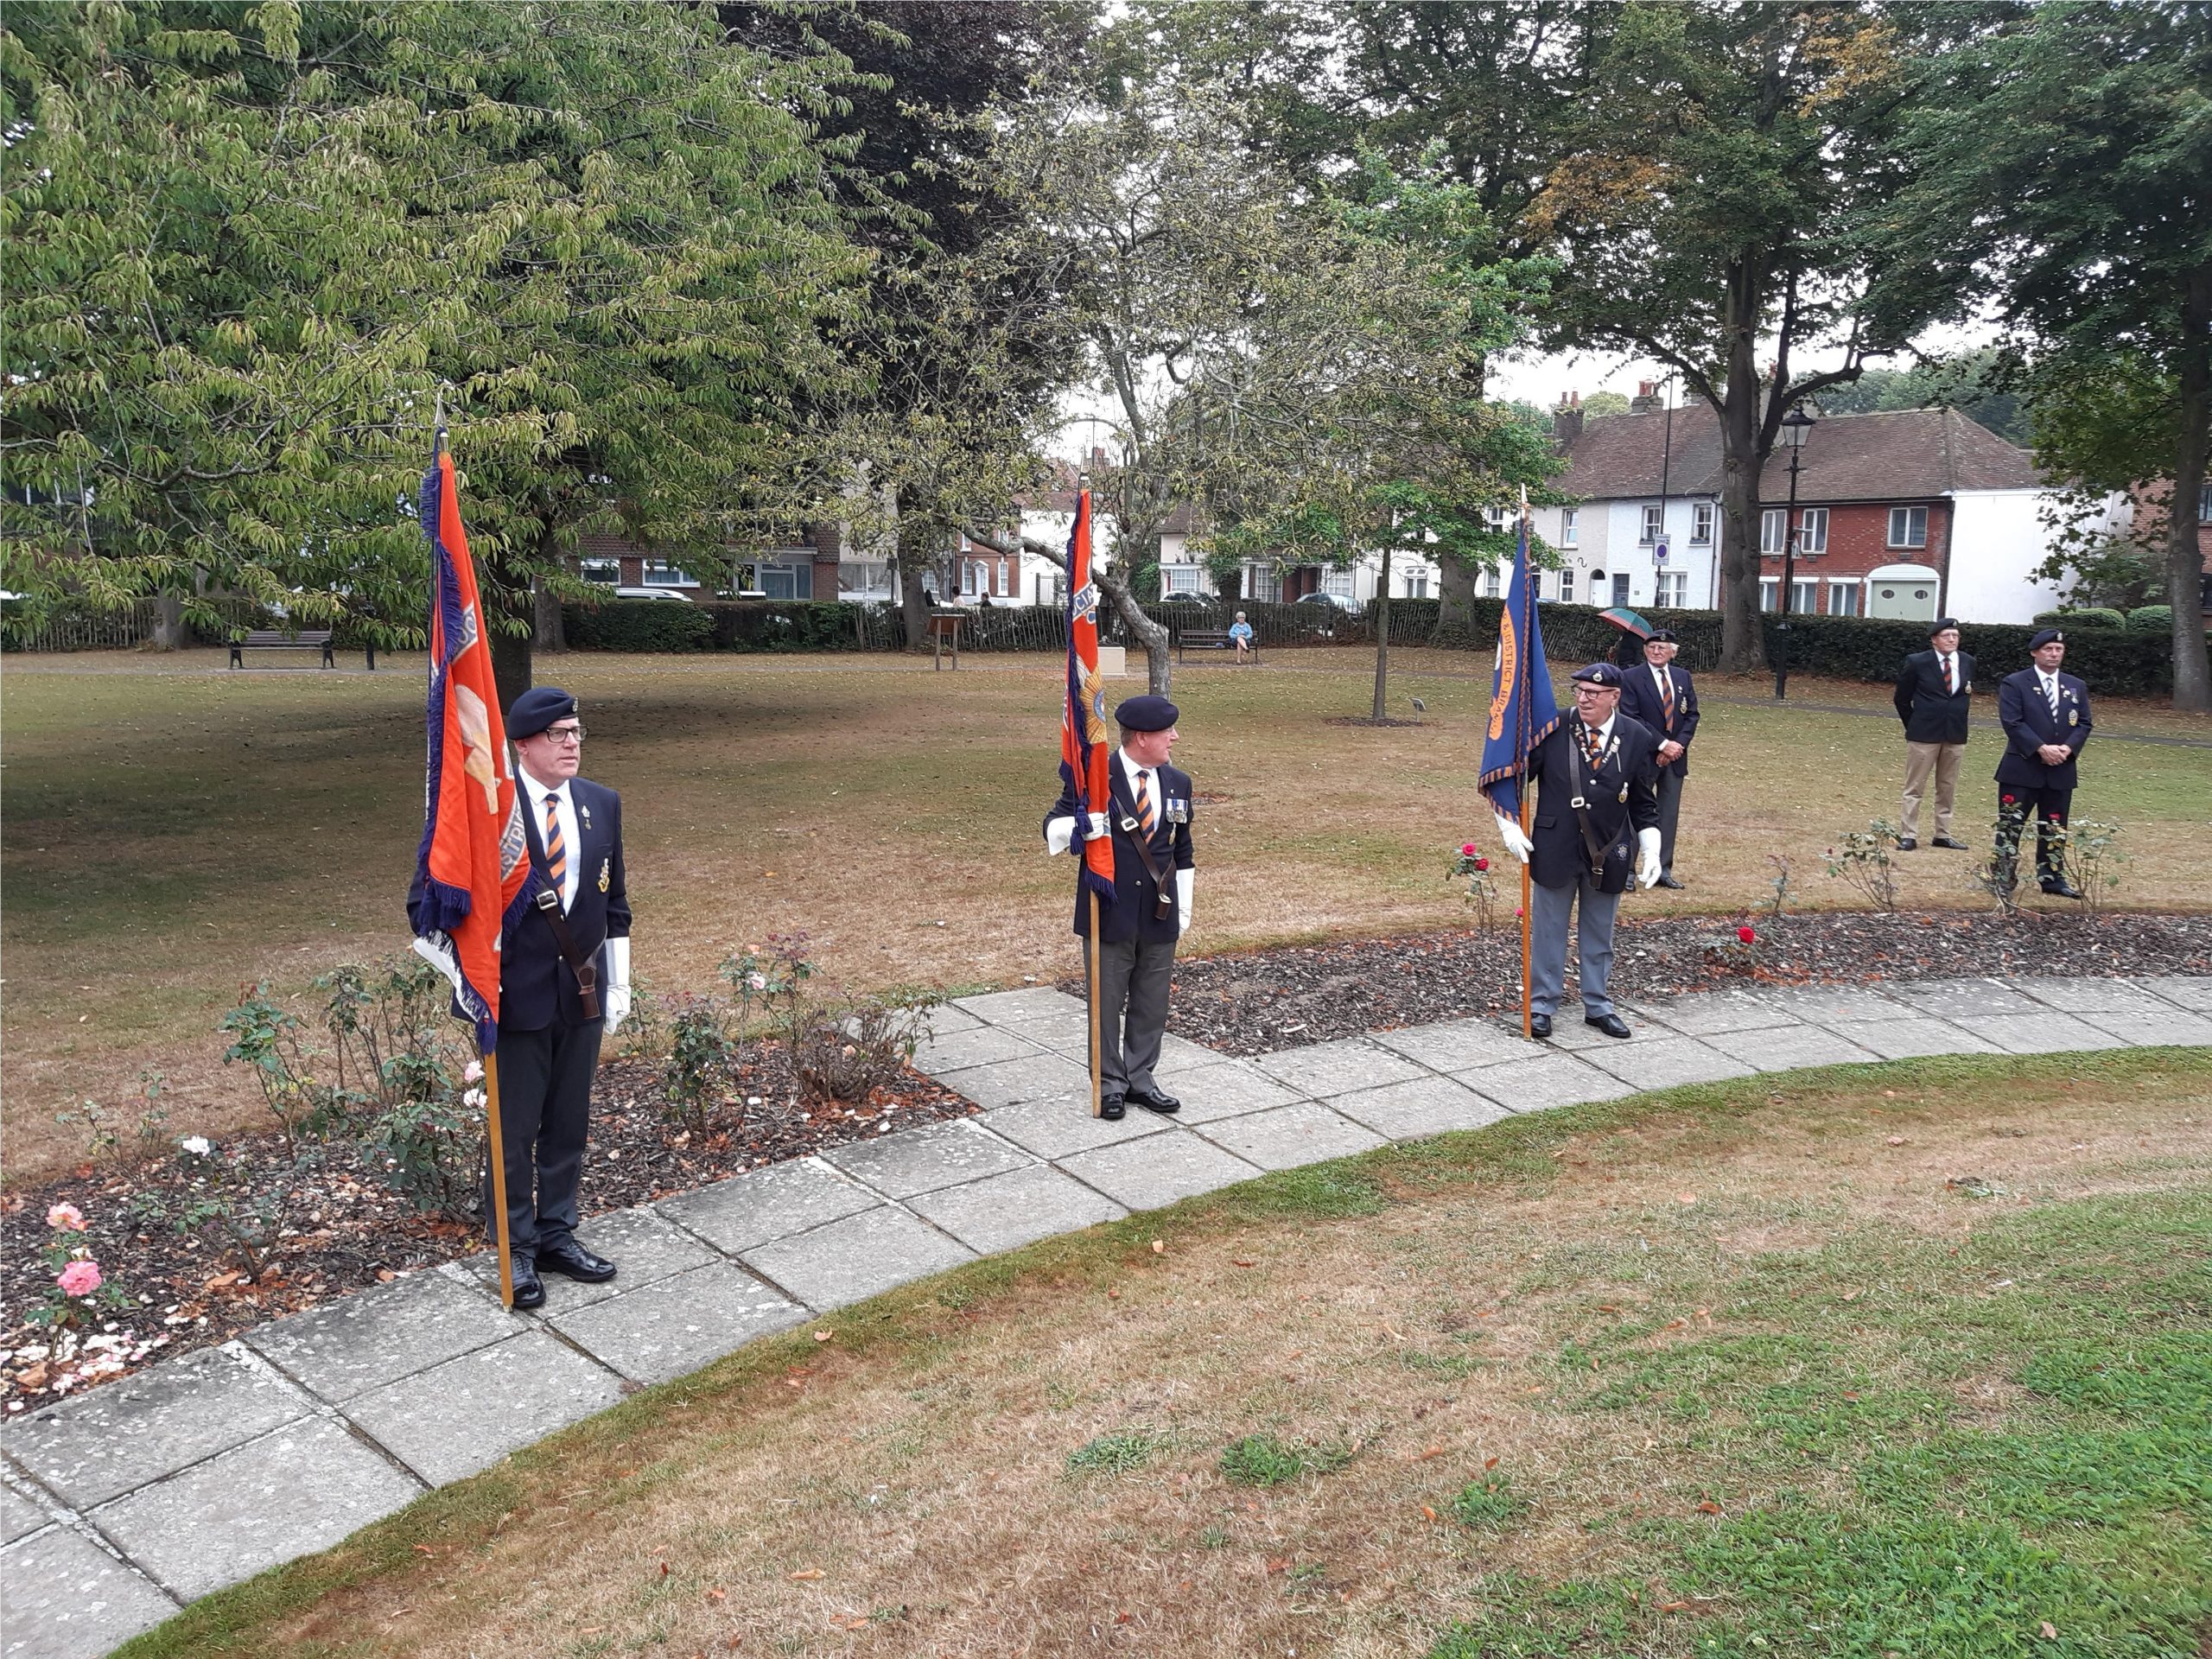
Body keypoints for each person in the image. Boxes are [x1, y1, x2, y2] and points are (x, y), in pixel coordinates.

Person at [480, 689, 632, 1307]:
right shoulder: (487, 808)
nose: (572, 743)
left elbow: (615, 904)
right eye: (557, 734)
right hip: (512, 998)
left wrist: (618, 981)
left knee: (568, 1124)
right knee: (513, 1130)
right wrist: (471, 984)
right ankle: (514, 1247)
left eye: (577, 731)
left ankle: (556, 1232)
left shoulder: (601, 803)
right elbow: (431, 907)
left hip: (582, 993)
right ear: (523, 745)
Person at [1043, 695, 1194, 1120]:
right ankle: (1110, 1084)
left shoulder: (1178, 782)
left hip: (1161, 912)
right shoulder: (1096, 778)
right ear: (1143, 737)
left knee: (1152, 1002)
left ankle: (1141, 1079)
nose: (1175, 738)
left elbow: (1183, 849)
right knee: (1105, 1005)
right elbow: (1050, 829)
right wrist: (1084, 825)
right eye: (1169, 732)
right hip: (1108, 909)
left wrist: (1185, 908)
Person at [1493, 663, 1662, 1040]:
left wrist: (1652, 850)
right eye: (1580, 691)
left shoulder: (1635, 735)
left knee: (1599, 932)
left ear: (1614, 697)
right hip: (1555, 845)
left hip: (1609, 849)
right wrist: (1508, 824)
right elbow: (1514, 775)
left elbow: (1643, 802)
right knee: (1549, 930)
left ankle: (1598, 1004)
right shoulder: (1554, 726)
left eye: (1593, 693)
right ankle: (1541, 1005)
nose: (1584, 698)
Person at [1993, 628, 2093, 899]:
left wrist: (2068, 748)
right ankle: (2003, 876)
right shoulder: (2015, 683)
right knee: (2012, 824)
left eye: (2058, 650)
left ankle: (2051, 878)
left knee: (2055, 825)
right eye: (2048, 649)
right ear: (2034, 652)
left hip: (2061, 767)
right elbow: (2012, 722)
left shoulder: (2075, 686)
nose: (2054, 654)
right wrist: (2040, 748)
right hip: (2023, 768)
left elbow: (2084, 722)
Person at [1614, 628, 1698, 887]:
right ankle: (1626, 871)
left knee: (1667, 814)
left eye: (1662, 648)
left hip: (1675, 759)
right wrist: (1661, 745)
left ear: (1673, 652)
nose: (1656, 651)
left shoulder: (1682, 677)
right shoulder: (1631, 678)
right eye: (1651, 647)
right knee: (1633, 813)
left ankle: (1662, 870)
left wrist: (1676, 747)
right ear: (1645, 650)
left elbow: (1691, 715)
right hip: (1641, 757)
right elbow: (1631, 717)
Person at [1893, 617, 1975, 851]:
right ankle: (1909, 834)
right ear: (1934, 640)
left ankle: (1943, 833)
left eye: (1955, 636)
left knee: (1947, 786)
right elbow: (1901, 698)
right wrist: (1915, 725)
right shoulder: (1918, 662)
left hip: (1955, 734)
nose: (1951, 640)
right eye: (1946, 636)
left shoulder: (1968, 662)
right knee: (1915, 786)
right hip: (1924, 735)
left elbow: (1963, 695)